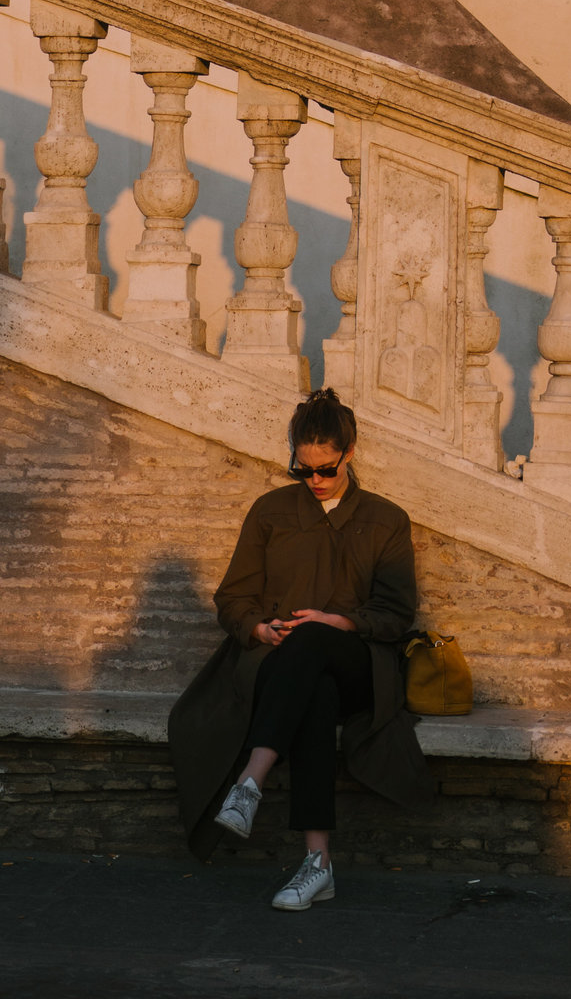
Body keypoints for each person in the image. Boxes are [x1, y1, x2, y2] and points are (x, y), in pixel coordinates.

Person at [167, 387, 431, 910]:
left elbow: (397, 615)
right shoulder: (270, 512)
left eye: (325, 469)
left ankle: (250, 780)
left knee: (316, 641)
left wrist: (340, 620)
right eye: (302, 470)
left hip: (358, 661)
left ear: (349, 454)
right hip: (279, 664)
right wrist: (259, 630)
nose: (314, 480)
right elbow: (233, 597)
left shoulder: (385, 519)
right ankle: (318, 865)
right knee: (314, 695)